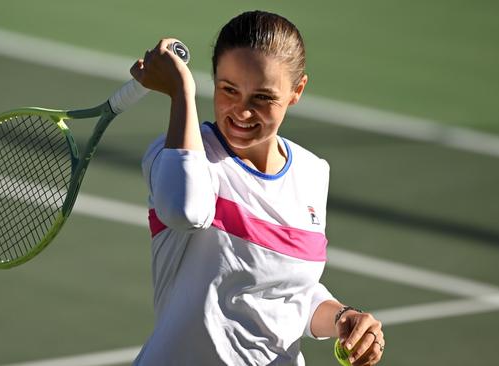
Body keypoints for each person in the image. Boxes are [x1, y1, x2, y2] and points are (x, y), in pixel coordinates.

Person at [130, 10, 385, 366]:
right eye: (228, 89)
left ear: (296, 91)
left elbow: (288, 292)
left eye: (262, 98)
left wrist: (343, 318)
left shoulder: (312, 173)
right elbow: (183, 209)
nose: (242, 112)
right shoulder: (176, 155)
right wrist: (181, 93)